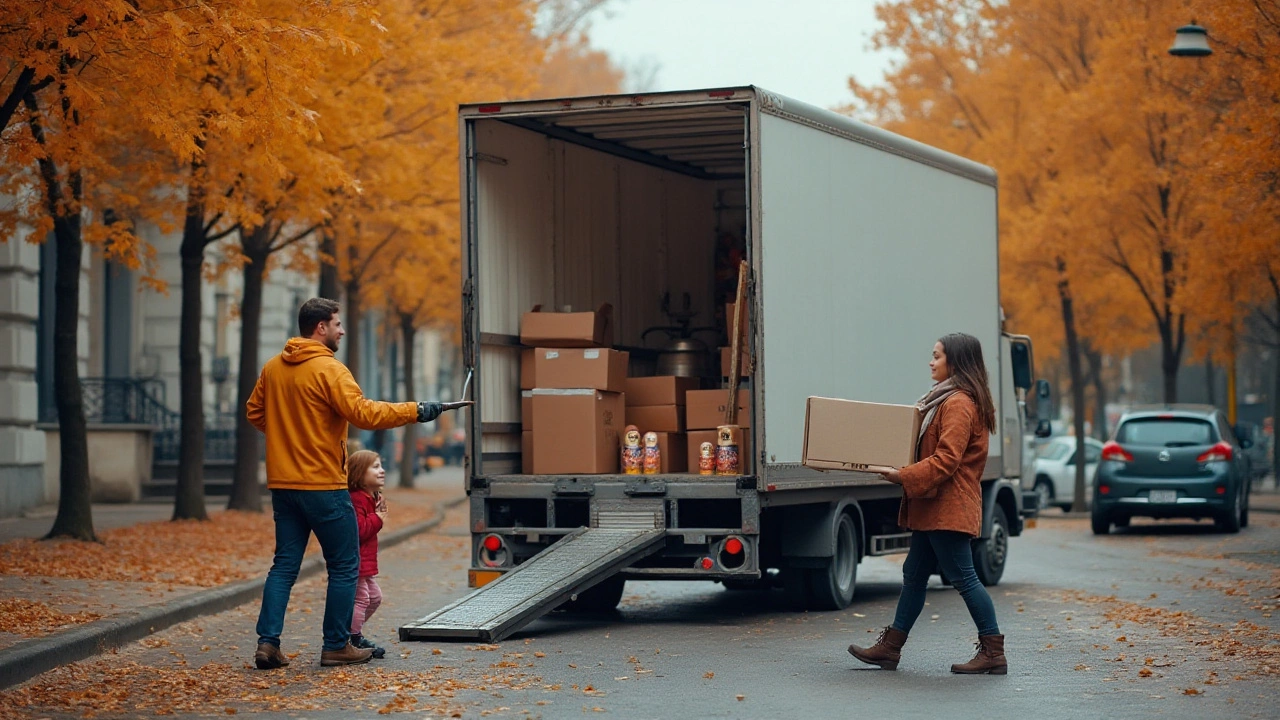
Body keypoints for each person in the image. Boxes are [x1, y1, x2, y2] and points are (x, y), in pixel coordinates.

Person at [247, 297, 471, 669]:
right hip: (322, 486)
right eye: (337, 324)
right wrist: (417, 410)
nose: (342, 330)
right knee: (345, 565)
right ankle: (336, 645)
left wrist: (290, 435)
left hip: (284, 486)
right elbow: (364, 413)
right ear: (320, 328)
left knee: (284, 566)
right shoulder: (330, 370)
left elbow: (255, 412)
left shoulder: (273, 368)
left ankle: (267, 643)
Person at [847, 332, 1007, 675]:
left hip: (948, 505)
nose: (931, 362)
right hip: (934, 504)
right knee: (915, 574)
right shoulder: (946, 399)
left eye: (937, 356)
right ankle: (890, 648)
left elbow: (947, 460)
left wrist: (902, 475)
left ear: (956, 361)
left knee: (964, 577)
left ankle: (993, 651)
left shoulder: (959, 403)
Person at [346, 450, 389, 659]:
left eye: (381, 466)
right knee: (362, 599)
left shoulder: (370, 497)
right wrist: (378, 518)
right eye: (375, 467)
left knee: (375, 598)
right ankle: (353, 638)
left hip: (366, 561)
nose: (382, 471)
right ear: (358, 474)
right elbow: (360, 530)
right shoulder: (356, 499)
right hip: (357, 560)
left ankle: (353, 633)